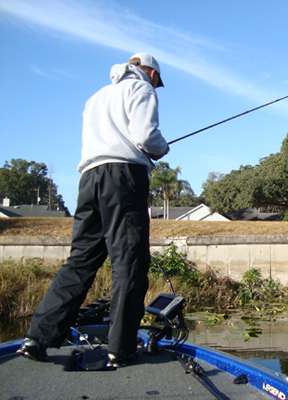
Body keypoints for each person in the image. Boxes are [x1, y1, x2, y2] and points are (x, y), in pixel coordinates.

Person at [17, 53, 169, 367]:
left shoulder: (96, 97)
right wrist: (162, 148)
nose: (157, 84)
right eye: (157, 80)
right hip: (123, 178)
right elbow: (145, 137)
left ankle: (37, 338)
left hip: (89, 180)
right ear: (151, 73)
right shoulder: (141, 89)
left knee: (81, 260)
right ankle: (121, 348)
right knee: (129, 262)